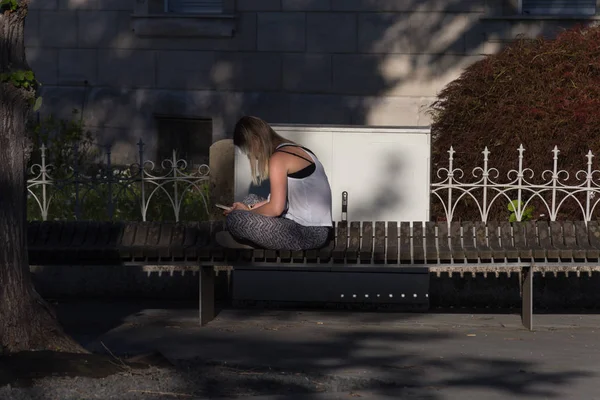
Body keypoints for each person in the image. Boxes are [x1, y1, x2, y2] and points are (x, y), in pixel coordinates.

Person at [216, 116, 333, 250]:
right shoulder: (298, 150)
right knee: (250, 200)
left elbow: (275, 209)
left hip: (307, 234)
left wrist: (245, 214)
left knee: (235, 219)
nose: (251, 156)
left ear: (255, 140)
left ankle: (248, 243)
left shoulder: (278, 159)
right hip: (312, 229)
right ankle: (251, 239)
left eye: (249, 150)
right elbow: (278, 202)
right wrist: (247, 208)